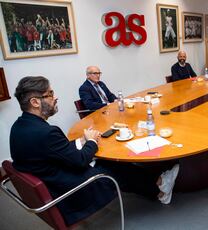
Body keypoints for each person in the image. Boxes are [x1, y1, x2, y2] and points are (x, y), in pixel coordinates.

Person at [10, 76, 180, 225]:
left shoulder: (19, 127)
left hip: (52, 182)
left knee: (106, 161)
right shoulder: (47, 132)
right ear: (35, 102)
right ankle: (161, 186)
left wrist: (81, 141)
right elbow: (80, 161)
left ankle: (156, 185)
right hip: (69, 193)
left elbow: (53, 152)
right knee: (113, 166)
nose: (55, 98)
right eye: (50, 94)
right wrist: (91, 141)